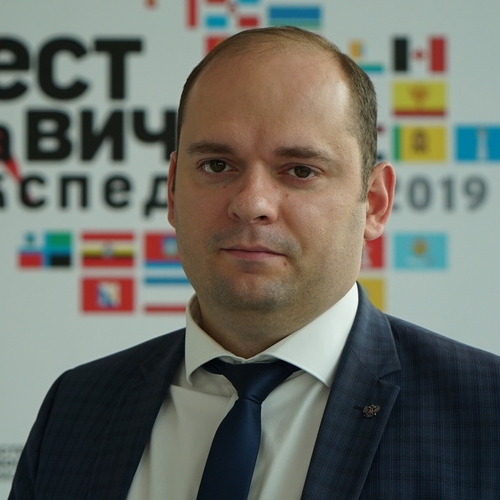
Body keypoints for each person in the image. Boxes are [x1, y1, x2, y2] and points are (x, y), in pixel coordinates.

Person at [9, 26, 500, 500]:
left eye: (300, 170)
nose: (251, 203)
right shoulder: (77, 407)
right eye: (217, 165)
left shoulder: (486, 411)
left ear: (374, 203)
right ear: (173, 191)